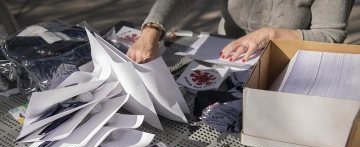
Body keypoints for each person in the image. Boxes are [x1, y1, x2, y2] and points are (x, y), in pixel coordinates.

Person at [127, 0, 351, 64]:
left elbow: (330, 36)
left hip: (290, 59)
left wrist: (271, 34)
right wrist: (152, 29)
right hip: (226, 50)